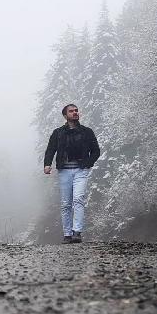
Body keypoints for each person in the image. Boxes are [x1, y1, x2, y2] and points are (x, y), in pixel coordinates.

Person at [43, 104, 100, 243]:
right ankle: (67, 234)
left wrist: (88, 163)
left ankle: (77, 233)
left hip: (81, 171)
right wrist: (47, 164)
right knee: (65, 204)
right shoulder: (58, 133)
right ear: (65, 115)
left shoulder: (87, 132)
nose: (75, 113)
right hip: (64, 171)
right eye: (71, 111)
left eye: (76, 110)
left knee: (78, 199)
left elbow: (96, 151)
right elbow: (50, 149)